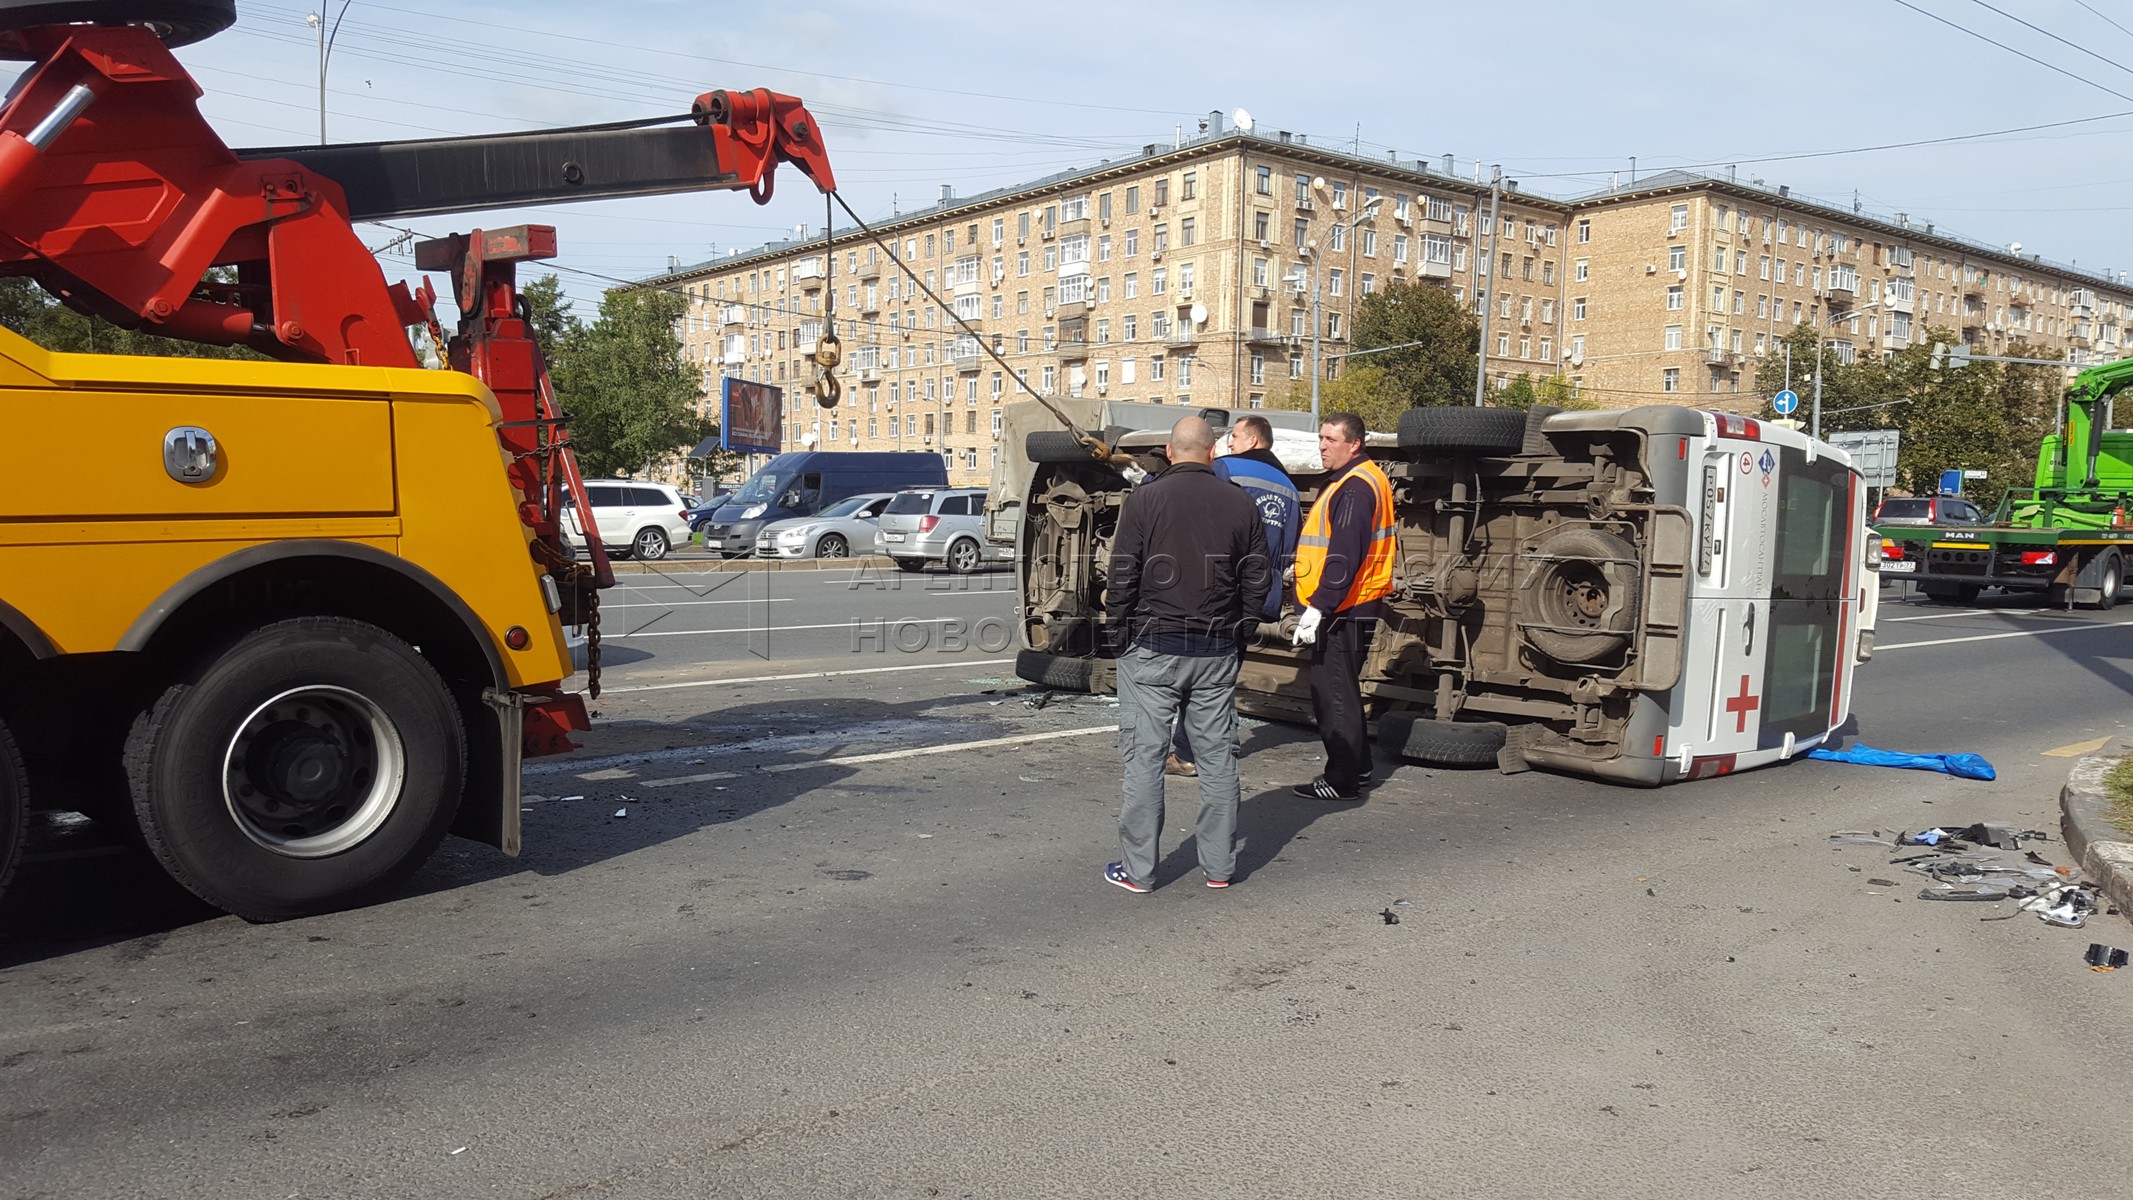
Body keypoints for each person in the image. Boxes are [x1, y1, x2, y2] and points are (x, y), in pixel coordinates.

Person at [1104, 416, 1274, 893]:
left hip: (1152, 647)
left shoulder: (1146, 499)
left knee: (1144, 759)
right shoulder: (1241, 502)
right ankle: (1219, 868)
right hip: (1216, 649)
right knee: (1219, 759)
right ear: (1213, 454)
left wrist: (1117, 633)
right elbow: (1257, 578)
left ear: (1170, 452)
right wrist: (1239, 635)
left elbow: (1124, 573)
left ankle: (1139, 872)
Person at [1166, 415, 1300, 777]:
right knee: (1224, 675)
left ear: (1255, 440)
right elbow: (1287, 552)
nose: (1229, 442)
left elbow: (1200, 519)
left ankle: (1188, 753)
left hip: (1216, 588)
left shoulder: (1223, 468)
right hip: (1255, 596)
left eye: (1236, 436)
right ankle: (1219, 743)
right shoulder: (1288, 486)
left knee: (1194, 677)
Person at [1289, 412, 1395, 802]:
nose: (1322, 446)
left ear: (1354, 444)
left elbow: (1344, 554)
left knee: (1333, 691)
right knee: (1342, 689)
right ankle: (1359, 767)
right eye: (1321, 438)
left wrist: (1319, 606)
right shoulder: (1365, 479)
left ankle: (1342, 778)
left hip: (1343, 607)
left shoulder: (1353, 487)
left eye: (1331, 439)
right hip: (1355, 601)